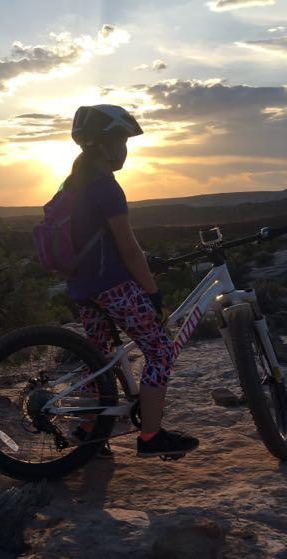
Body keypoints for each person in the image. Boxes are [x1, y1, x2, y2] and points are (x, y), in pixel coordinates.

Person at [65, 104, 199, 458]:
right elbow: (128, 247)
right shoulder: (106, 187)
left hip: (82, 286)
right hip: (112, 285)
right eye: (121, 140)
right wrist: (153, 293)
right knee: (160, 350)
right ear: (103, 145)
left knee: (100, 356)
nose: (125, 149)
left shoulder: (74, 183)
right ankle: (151, 437)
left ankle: (91, 428)